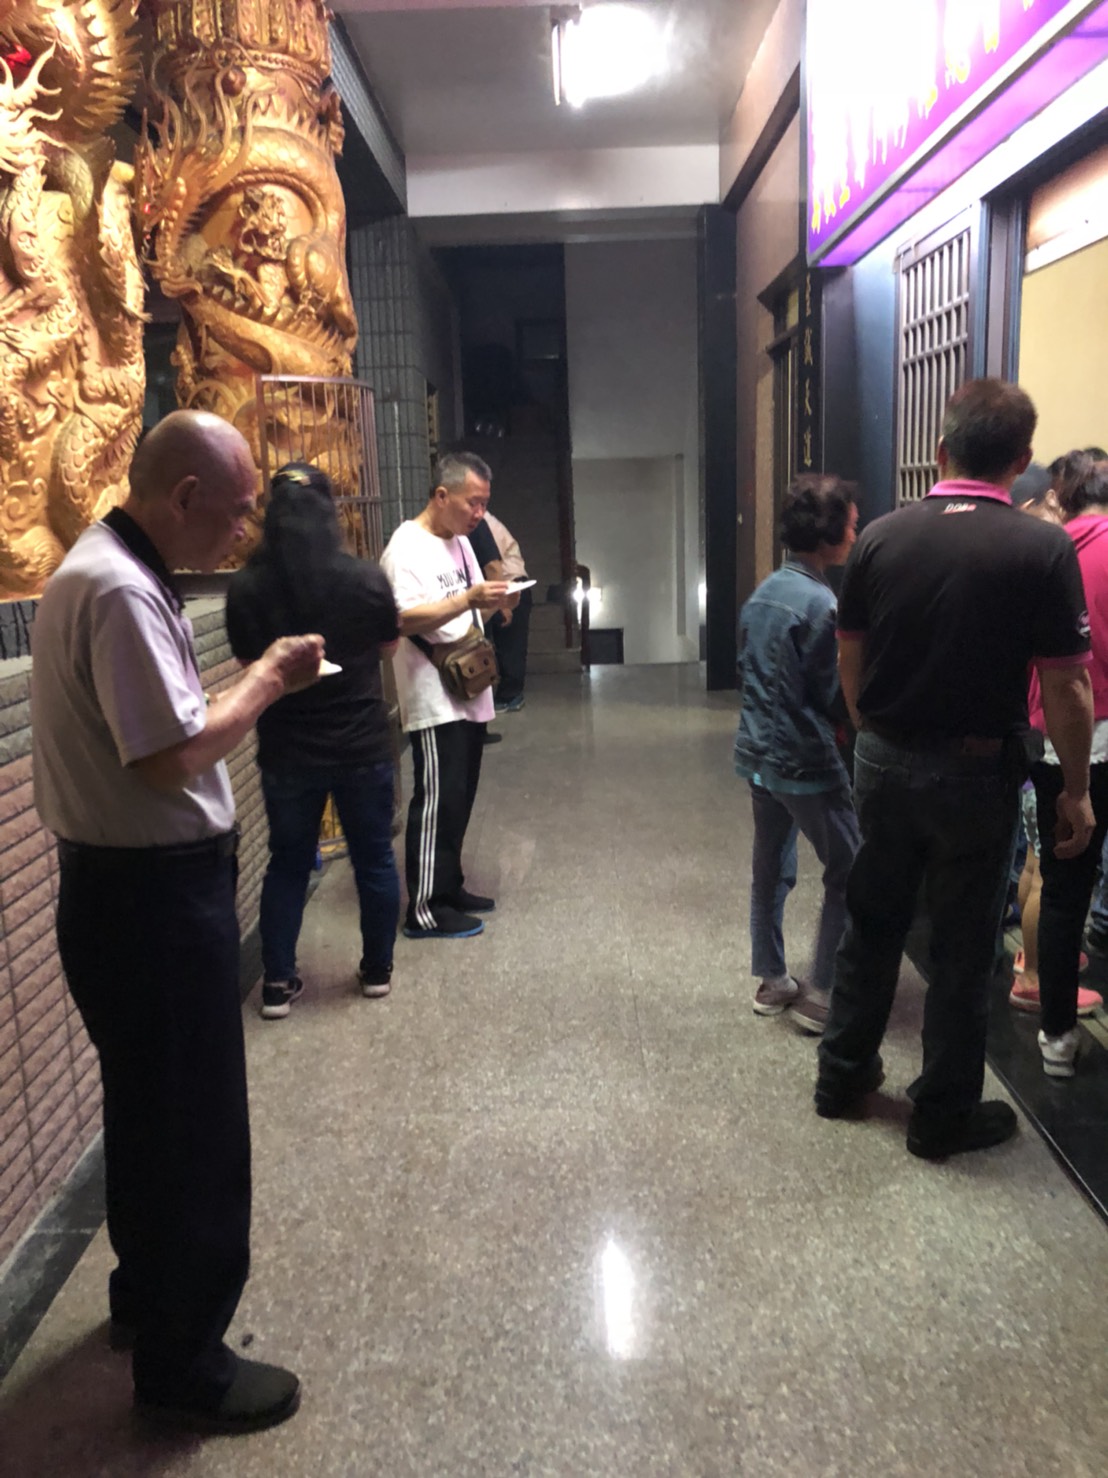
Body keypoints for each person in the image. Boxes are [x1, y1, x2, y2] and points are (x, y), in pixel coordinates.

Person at [31, 411, 324, 1432]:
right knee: (196, 1134)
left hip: (118, 895)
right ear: (184, 496)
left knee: (148, 1119)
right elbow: (170, 754)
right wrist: (268, 677)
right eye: (235, 511)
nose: (243, 531)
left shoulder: (96, 567)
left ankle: (143, 1304)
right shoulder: (116, 587)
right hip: (153, 902)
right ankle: (185, 1362)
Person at [815, 378, 1094, 1160]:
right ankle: (941, 1116)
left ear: (941, 451)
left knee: (872, 923)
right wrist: (1075, 791)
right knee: (963, 947)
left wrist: (869, 732)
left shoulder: (880, 538)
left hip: (883, 759)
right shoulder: (1042, 548)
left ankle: (840, 1078)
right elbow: (1068, 685)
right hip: (976, 773)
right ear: (1022, 460)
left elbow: (849, 655)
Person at [225, 462, 402, 1019]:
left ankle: (277, 983)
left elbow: (250, 666)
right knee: (374, 859)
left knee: (287, 863)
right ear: (331, 513)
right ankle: (376, 971)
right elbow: (389, 648)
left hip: (287, 750)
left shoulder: (247, 587)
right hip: (361, 744)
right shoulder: (365, 579)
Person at [733, 474, 861, 1034]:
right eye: (851, 526)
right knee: (850, 867)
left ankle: (773, 978)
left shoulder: (764, 593)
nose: (855, 535)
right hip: (804, 759)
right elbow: (834, 694)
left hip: (758, 753)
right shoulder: (822, 605)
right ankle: (823, 992)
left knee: (770, 865)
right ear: (828, 535)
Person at [380, 452, 517, 939]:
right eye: (472, 503)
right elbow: (400, 618)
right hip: (433, 694)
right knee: (436, 799)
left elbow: (472, 603)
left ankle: (449, 886)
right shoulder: (405, 547)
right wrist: (467, 599)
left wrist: (499, 599)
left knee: (460, 796)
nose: (479, 514)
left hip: (469, 684)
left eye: (485, 504)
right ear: (441, 496)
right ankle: (424, 908)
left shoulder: (460, 544)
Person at [1022, 452, 1108, 1073]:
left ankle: (1056, 1037)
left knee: (1061, 888)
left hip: (1044, 737)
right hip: (1100, 736)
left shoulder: (1042, 554)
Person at [469, 510, 532, 713]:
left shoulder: (478, 524)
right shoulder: (480, 521)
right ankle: (504, 694)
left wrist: (502, 603)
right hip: (504, 584)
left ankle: (511, 695)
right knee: (505, 645)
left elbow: (493, 566)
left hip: (510, 584)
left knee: (510, 646)